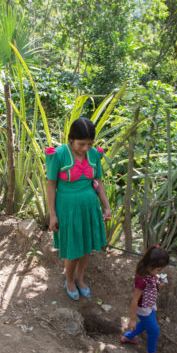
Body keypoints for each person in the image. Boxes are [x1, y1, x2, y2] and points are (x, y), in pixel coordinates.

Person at [45, 117, 112, 301]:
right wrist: (52, 215)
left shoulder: (94, 155)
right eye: (81, 144)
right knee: (73, 248)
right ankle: (69, 280)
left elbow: (98, 182)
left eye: (89, 144)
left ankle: (80, 278)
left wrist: (106, 207)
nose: (85, 149)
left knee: (86, 247)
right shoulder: (58, 155)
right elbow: (51, 186)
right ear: (71, 139)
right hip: (68, 208)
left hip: (89, 207)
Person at [120, 245, 170, 353]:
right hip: (144, 309)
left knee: (143, 325)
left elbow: (152, 287)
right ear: (149, 266)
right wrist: (132, 319)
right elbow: (134, 300)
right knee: (154, 331)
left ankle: (128, 337)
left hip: (151, 305)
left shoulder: (150, 274)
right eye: (158, 270)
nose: (160, 272)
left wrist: (159, 285)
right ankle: (151, 352)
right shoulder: (142, 280)